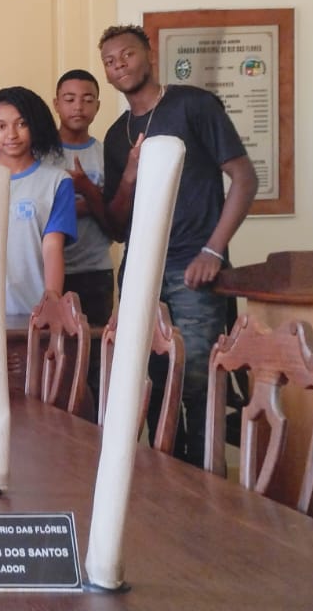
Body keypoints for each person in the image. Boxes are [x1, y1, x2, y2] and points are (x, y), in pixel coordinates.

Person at [99, 24, 258, 466]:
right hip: (140, 272)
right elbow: (116, 224)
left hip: (194, 266)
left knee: (198, 384)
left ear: (148, 54)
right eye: (110, 62)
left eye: (127, 55)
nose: (119, 65)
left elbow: (245, 179)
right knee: (148, 381)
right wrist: (129, 174)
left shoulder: (193, 105)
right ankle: (168, 487)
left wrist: (214, 251)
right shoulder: (117, 135)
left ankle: (207, 495)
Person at [0, 87, 77, 317]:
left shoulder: (57, 181)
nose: (11, 134)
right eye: (1, 126)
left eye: (21, 124)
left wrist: (51, 303)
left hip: (32, 311)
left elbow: (52, 248)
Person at [51, 69, 114, 328]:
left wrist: (85, 196)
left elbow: (115, 215)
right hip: (51, 271)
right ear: (56, 104)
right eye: (69, 99)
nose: (78, 107)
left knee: (95, 349)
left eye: (88, 99)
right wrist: (91, 202)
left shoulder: (106, 154)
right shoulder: (41, 154)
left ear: (98, 106)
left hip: (95, 271)